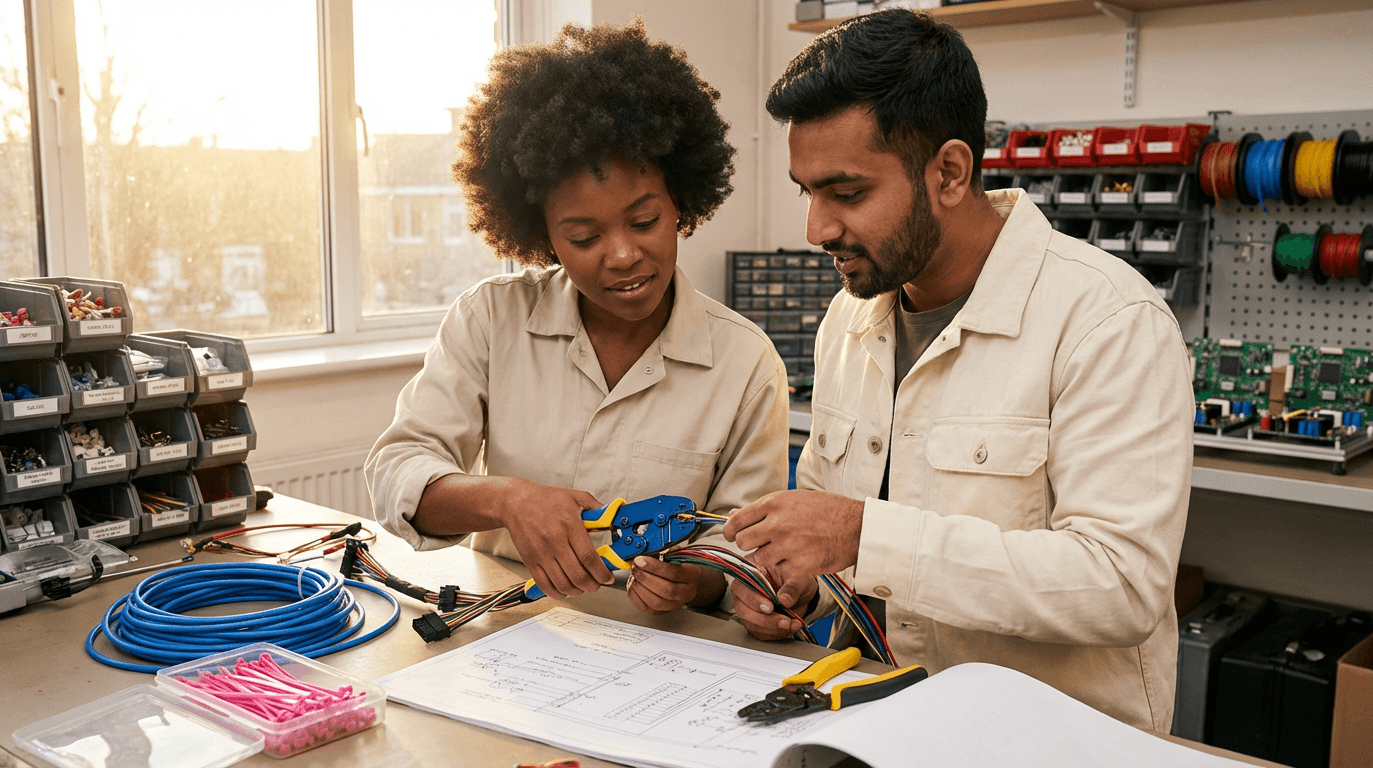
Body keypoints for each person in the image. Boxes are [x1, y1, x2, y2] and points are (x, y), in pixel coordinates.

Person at [722, 9, 1193, 732]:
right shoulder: (850, 317)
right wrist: (796, 587)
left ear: (949, 172)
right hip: (870, 720)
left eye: (847, 193)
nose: (816, 229)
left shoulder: (1108, 321)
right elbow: (828, 526)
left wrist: (864, 536)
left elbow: (1121, 586)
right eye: (806, 192)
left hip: (1045, 741)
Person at [366, 20, 788, 616]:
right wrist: (506, 499)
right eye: (584, 237)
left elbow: (746, 549)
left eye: (644, 222)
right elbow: (397, 470)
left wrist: (694, 582)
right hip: (510, 628)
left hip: (662, 648)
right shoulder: (491, 319)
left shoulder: (746, 362)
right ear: (542, 236)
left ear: (681, 203)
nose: (622, 255)